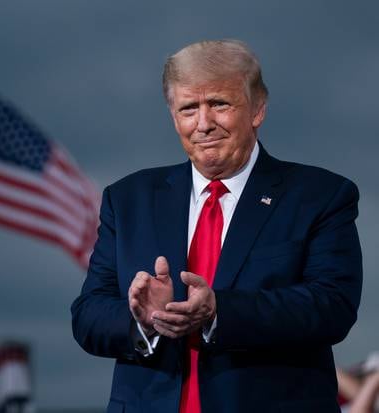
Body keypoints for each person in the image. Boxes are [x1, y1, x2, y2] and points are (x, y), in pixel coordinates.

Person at [71, 39, 363, 413]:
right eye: (189, 108)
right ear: (174, 116)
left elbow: (332, 306)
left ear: (258, 109)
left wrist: (218, 311)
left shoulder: (321, 196)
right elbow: (88, 314)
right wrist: (143, 321)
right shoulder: (127, 199)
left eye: (219, 105)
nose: (204, 124)